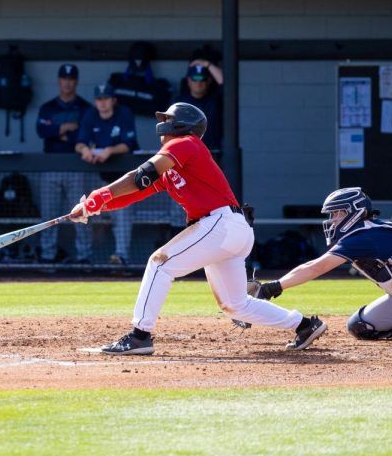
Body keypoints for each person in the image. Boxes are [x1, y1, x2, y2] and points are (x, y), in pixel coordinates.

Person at [74, 102, 325, 355]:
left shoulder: (185, 143)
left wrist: (100, 194)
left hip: (219, 223)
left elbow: (142, 173)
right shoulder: (174, 164)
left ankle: (140, 336)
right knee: (234, 304)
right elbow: (137, 191)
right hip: (229, 230)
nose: (162, 125)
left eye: (168, 119)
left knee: (160, 263)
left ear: (181, 125)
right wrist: (92, 207)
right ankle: (304, 325)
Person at [251, 187, 392, 343]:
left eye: (338, 213)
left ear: (355, 212)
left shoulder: (366, 234)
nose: (333, 220)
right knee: (360, 327)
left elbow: (316, 267)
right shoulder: (359, 235)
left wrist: (275, 286)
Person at [75, 83, 139, 265]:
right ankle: (83, 258)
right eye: (99, 99)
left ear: (113, 100)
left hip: (122, 178)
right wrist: (85, 150)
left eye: (105, 99)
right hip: (97, 176)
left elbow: (129, 144)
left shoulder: (124, 113)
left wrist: (110, 150)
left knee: (122, 217)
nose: (102, 103)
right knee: (84, 212)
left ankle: (121, 257)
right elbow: (79, 143)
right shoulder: (90, 114)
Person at [35, 64, 92, 263]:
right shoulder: (48, 107)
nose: (67, 82)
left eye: (71, 79)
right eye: (64, 79)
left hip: (77, 166)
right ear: (59, 81)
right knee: (49, 215)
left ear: (76, 81)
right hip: (51, 165)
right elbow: (42, 131)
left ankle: (84, 258)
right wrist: (65, 128)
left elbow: (83, 135)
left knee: (81, 213)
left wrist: (57, 131)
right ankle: (47, 257)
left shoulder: (85, 107)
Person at [176, 61, 223, 150]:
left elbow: (227, 83)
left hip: (211, 151)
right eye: (195, 79)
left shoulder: (215, 99)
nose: (199, 83)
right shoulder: (180, 102)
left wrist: (207, 64)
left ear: (208, 81)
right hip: (186, 152)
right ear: (189, 81)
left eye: (202, 79)